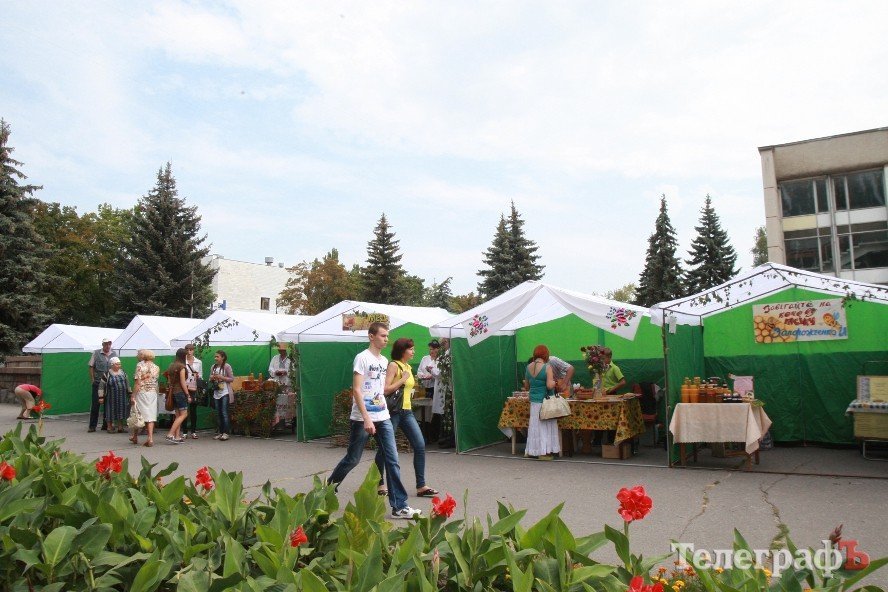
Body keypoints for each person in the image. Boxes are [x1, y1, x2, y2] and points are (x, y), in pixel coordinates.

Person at [327, 322, 422, 520]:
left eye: (387, 336)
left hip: (383, 416)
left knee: (392, 460)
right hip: (363, 418)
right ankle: (329, 487)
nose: (386, 339)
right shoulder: (362, 358)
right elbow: (356, 390)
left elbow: (381, 390)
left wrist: (383, 411)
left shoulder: (384, 360)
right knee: (353, 459)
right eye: (383, 335)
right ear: (371, 336)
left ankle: (399, 506)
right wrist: (366, 418)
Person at [374, 338, 439, 498]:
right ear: (402, 350)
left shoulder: (408, 367)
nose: (413, 351)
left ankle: (421, 486)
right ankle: (380, 482)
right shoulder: (393, 365)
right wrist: (403, 380)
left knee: (419, 445)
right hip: (393, 413)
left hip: (407, 412)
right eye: (411, 349)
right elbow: (385, 389)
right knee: (384, 448)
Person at [579, 346, 627, 452]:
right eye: (600, 358)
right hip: (601, 396)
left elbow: (623, 382)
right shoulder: (600, 369)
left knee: (611, 419)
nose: (601, 360)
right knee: (599, 417)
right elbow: (598, 382)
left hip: (611, 395)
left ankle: (610, 441)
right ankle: (597, 440)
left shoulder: (614, 368)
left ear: (609, 358)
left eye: (603, 358)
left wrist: (610, 390)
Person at [522, 345, 560, 459]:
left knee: (535, 426)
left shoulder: (528, 367)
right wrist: (555, 382)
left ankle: (532, 450)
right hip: (545, 401)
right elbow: (549, 385)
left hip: (534, 401)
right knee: (545, 427)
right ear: (546, 355)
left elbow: (527, 386)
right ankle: (544, 452)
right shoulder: (547, 367)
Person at [130, 349, 160, 447]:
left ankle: (135, 436)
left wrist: (133, 395)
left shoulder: (140, 366)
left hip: (142, 392)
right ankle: (150, 438)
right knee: (150, 415)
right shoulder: (156, 367)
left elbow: (138, 382)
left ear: (144, 356)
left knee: (137, 413)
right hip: (152, 393)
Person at [88, 338, 118, 432]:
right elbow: (91, 366)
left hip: (110, 383)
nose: (108, 346)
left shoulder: (114, 354)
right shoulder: (96, 353)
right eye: (106, 344)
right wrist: (92, 380)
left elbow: (117, 367)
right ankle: (92, 426)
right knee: (95, 404)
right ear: (102, 345)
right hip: (98, 382)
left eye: (109, 344)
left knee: (108, 404)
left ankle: (105, 425)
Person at [432, 338, 455, 448]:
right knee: (446, 415)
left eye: (443, 343)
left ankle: (448, 438)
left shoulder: (448, 354)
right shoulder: (446, 353)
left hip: (448, 388)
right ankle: (446, 438)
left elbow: (441, 373)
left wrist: (431, 370)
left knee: (448, 415)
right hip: (447, 387)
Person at [98, 357, 131, 433]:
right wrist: (101, 397)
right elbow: (101, 386)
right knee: (110, 411)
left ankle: (120, 428)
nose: (119, 365)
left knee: (121, 410)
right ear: (112, 365)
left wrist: (130, 393)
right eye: (117, 364)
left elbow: (127, 383)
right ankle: (109, 427)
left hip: (122, 396)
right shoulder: (107, 374)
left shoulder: (123, 372)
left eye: (120, 364)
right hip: (111, 397)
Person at [415, 339, 440, 439]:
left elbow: (438, 374)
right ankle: (426, 430)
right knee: (425, 409)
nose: (432, 351)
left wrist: (431, 375)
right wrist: (423, 375)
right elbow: (419, 371)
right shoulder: (425, 358)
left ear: (438, 349)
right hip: (425, 387)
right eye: (430, 349)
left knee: (434, 410)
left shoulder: (440, 360)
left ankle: (433, 433)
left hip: (435, 387)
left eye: (434, 349)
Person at [165, 349, 189, 444]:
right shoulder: (182, 367)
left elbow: (169, 381)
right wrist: (187, 394)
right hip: (180, 392)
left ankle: (177, 436)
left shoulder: (171, 365)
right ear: (184, 356)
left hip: (173, 392)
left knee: (178, 415)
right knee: (184, 414)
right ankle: (170, 434)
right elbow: (183, 382)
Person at [210, 350, 235, 441]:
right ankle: (220, 433)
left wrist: (222, 377)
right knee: (218, 413)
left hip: (225, 392)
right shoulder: (213, 367)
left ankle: (226, 433)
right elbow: (210, 378)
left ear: (223, 357)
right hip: (216, 392)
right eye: (215, 356)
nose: (215, 358)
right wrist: (212, 378)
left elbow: (232, 379)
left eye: (217, 356)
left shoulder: (227, 366)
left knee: (224, 412)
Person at [184, 344, 203, 439]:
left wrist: (198, 376)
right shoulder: (182, 361)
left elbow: (201, 375)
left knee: (193, 410)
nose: (189, 352)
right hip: (184, 387)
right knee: (184, 410)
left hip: (194, 387)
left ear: (193, 350)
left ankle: (193, 431)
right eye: (187, 350)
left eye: (191, 350)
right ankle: (184, 432)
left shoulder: (198, 362)